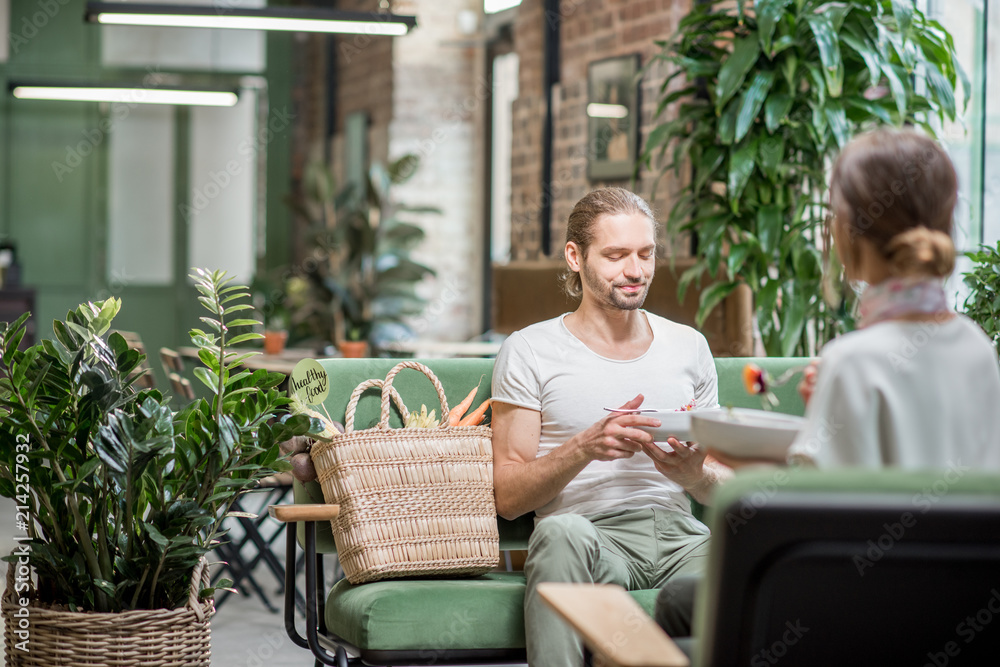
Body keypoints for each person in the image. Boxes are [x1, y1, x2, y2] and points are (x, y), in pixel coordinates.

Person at [660, 127, 1000, 645]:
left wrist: (737, 456)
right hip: (958, 600)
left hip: (862, 610)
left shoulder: (853, 359)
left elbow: (811, 518)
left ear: (848, 229)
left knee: (676, 608)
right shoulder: (977, 346)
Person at [490, 186, 732, 667]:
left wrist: (694, 474)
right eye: (616, 255)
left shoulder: (689, 347)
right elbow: (508, 496)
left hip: (683, 537)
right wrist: (585, 446)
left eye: (646, 254)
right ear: (575, 256)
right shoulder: (530, 350)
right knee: (560, 535)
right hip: (590, 537)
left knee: (756, 569)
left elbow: (723, 489)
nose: (635, 271)